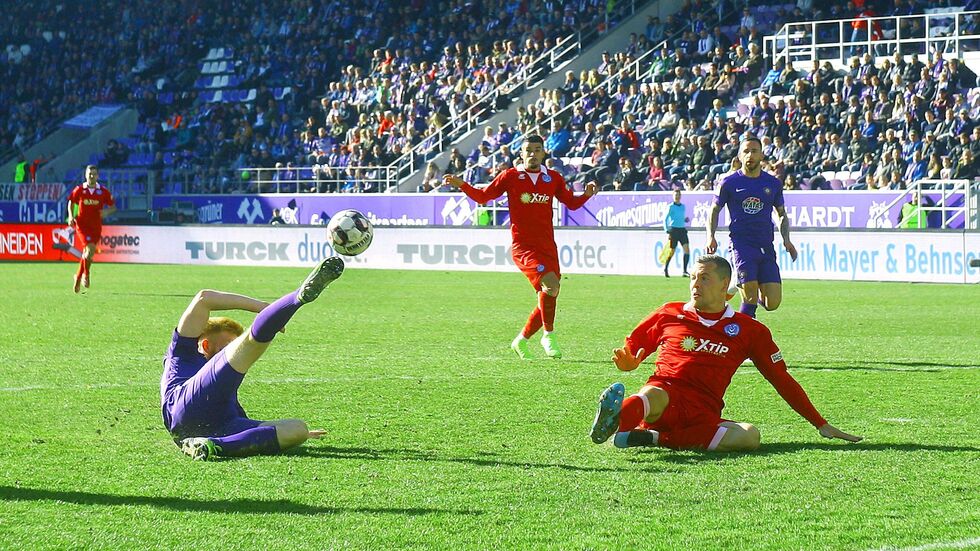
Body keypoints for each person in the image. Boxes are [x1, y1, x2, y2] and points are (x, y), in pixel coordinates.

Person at [589, 255, 862, 451]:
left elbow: (780, 378)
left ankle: (652, 438)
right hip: (665, 395)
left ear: (724, 284)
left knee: (750, 436)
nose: (695, 284)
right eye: (693, 278)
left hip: (703, 412)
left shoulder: (750, 330)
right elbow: (633, 350)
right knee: (651, 394)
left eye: (704, 278)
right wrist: (628, 364)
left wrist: (820, 423)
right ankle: (615, 423)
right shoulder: (669, 313)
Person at [161, 257, 345, 460]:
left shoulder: (220, 384)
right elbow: (204, 299)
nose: (230, 349)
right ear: (205, 345)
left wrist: (268, 435)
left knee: (298, 429)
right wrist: (262, 306)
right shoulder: (183, 351)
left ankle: (211, 446)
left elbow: (234, 413)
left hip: (218, 427)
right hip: (182, 407)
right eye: (227, 345)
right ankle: (297, 298)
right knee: (250, 342)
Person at [442, 135, 598, 359]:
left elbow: (571, 204)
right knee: (551, 286)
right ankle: (548, 335)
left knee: (549, 294)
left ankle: (521, 341)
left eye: (537, 149)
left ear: (544, 153)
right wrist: (462, 185)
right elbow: (483, 197)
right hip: (523, 247)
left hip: (547, 245)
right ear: (521, 154)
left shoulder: (553, 178)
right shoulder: (510, 176)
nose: (533, 154)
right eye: (528, 150)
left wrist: (586, 195)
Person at [706, 137, 797, 318]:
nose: (750, 155)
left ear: (762, 155)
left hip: (765, 245)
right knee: (750, 300)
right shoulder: (729, 182)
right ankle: (740, 333)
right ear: (740, 155)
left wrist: (787, 240)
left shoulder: (773, 183)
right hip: (741, 245)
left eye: (754, 151)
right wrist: (711, 236)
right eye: (746, 151)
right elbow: (714, 210)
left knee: (772, 303)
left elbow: (781, 213)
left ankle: (736, 283)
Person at [66, 165, 116, 293]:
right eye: (89, 174)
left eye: (94, 174)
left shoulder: (103, 191)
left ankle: (81, 275)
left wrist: (106, 212)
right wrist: (71, 216)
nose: (92, 176)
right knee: (89, 251)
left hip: (96, 226)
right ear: (85, 175)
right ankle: (83, 276)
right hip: (82, 225)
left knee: (89, 253)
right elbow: (71, 202)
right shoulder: (79, 189)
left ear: (98, 176)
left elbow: (113, 207)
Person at [662, 189, 691, 278]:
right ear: (673, 196)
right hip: (674, 230)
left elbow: (679, 217)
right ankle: (666, 268)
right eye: (675, 195)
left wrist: (685, 219)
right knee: (672, 251)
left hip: (682, 230)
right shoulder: (671, 206)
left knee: (687, 250)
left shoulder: (683, 206)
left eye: (678, 195)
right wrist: (666, 229)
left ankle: (685, 271)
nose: (677, 197)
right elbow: (665, 218)